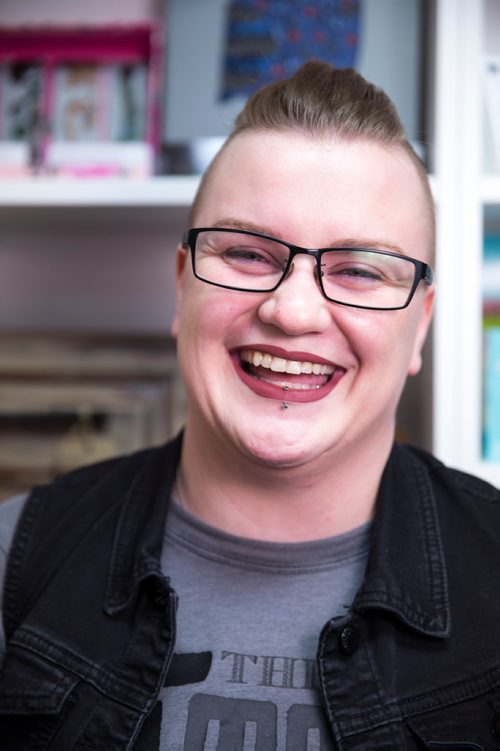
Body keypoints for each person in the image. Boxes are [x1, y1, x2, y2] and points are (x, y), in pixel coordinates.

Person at [1, 60, 500, 750]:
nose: (293, 311)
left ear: (420, 324)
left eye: (358, 269)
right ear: (182, 288)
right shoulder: (13, 561)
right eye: (247, 253)